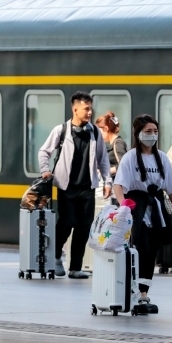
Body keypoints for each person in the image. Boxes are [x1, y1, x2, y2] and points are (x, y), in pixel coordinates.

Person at [112, 114, 172, 314]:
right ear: (138, 133)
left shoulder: (163, 158)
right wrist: (124, 207)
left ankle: (143, 294)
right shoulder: (130, 157)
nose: (152, 135)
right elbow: (119, 185)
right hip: (137, 207)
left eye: (155, 131)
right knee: (138, 249)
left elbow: (171, 189)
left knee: (151, 252)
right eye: (148, 131)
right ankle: (134, 292)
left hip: (156, 208)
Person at [39, 91, 112, 279]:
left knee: (84, 227)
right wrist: (45, 170)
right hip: (66, 187)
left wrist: (107, 181)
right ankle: (55, 256)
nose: (89, 113)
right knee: (67, 222)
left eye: (91, 109)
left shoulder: (94, 132)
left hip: (88, 187)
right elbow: (44, 152)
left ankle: (75, 268)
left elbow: (103, 159)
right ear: (75, 109)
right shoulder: (61, 130)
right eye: (86, 109)